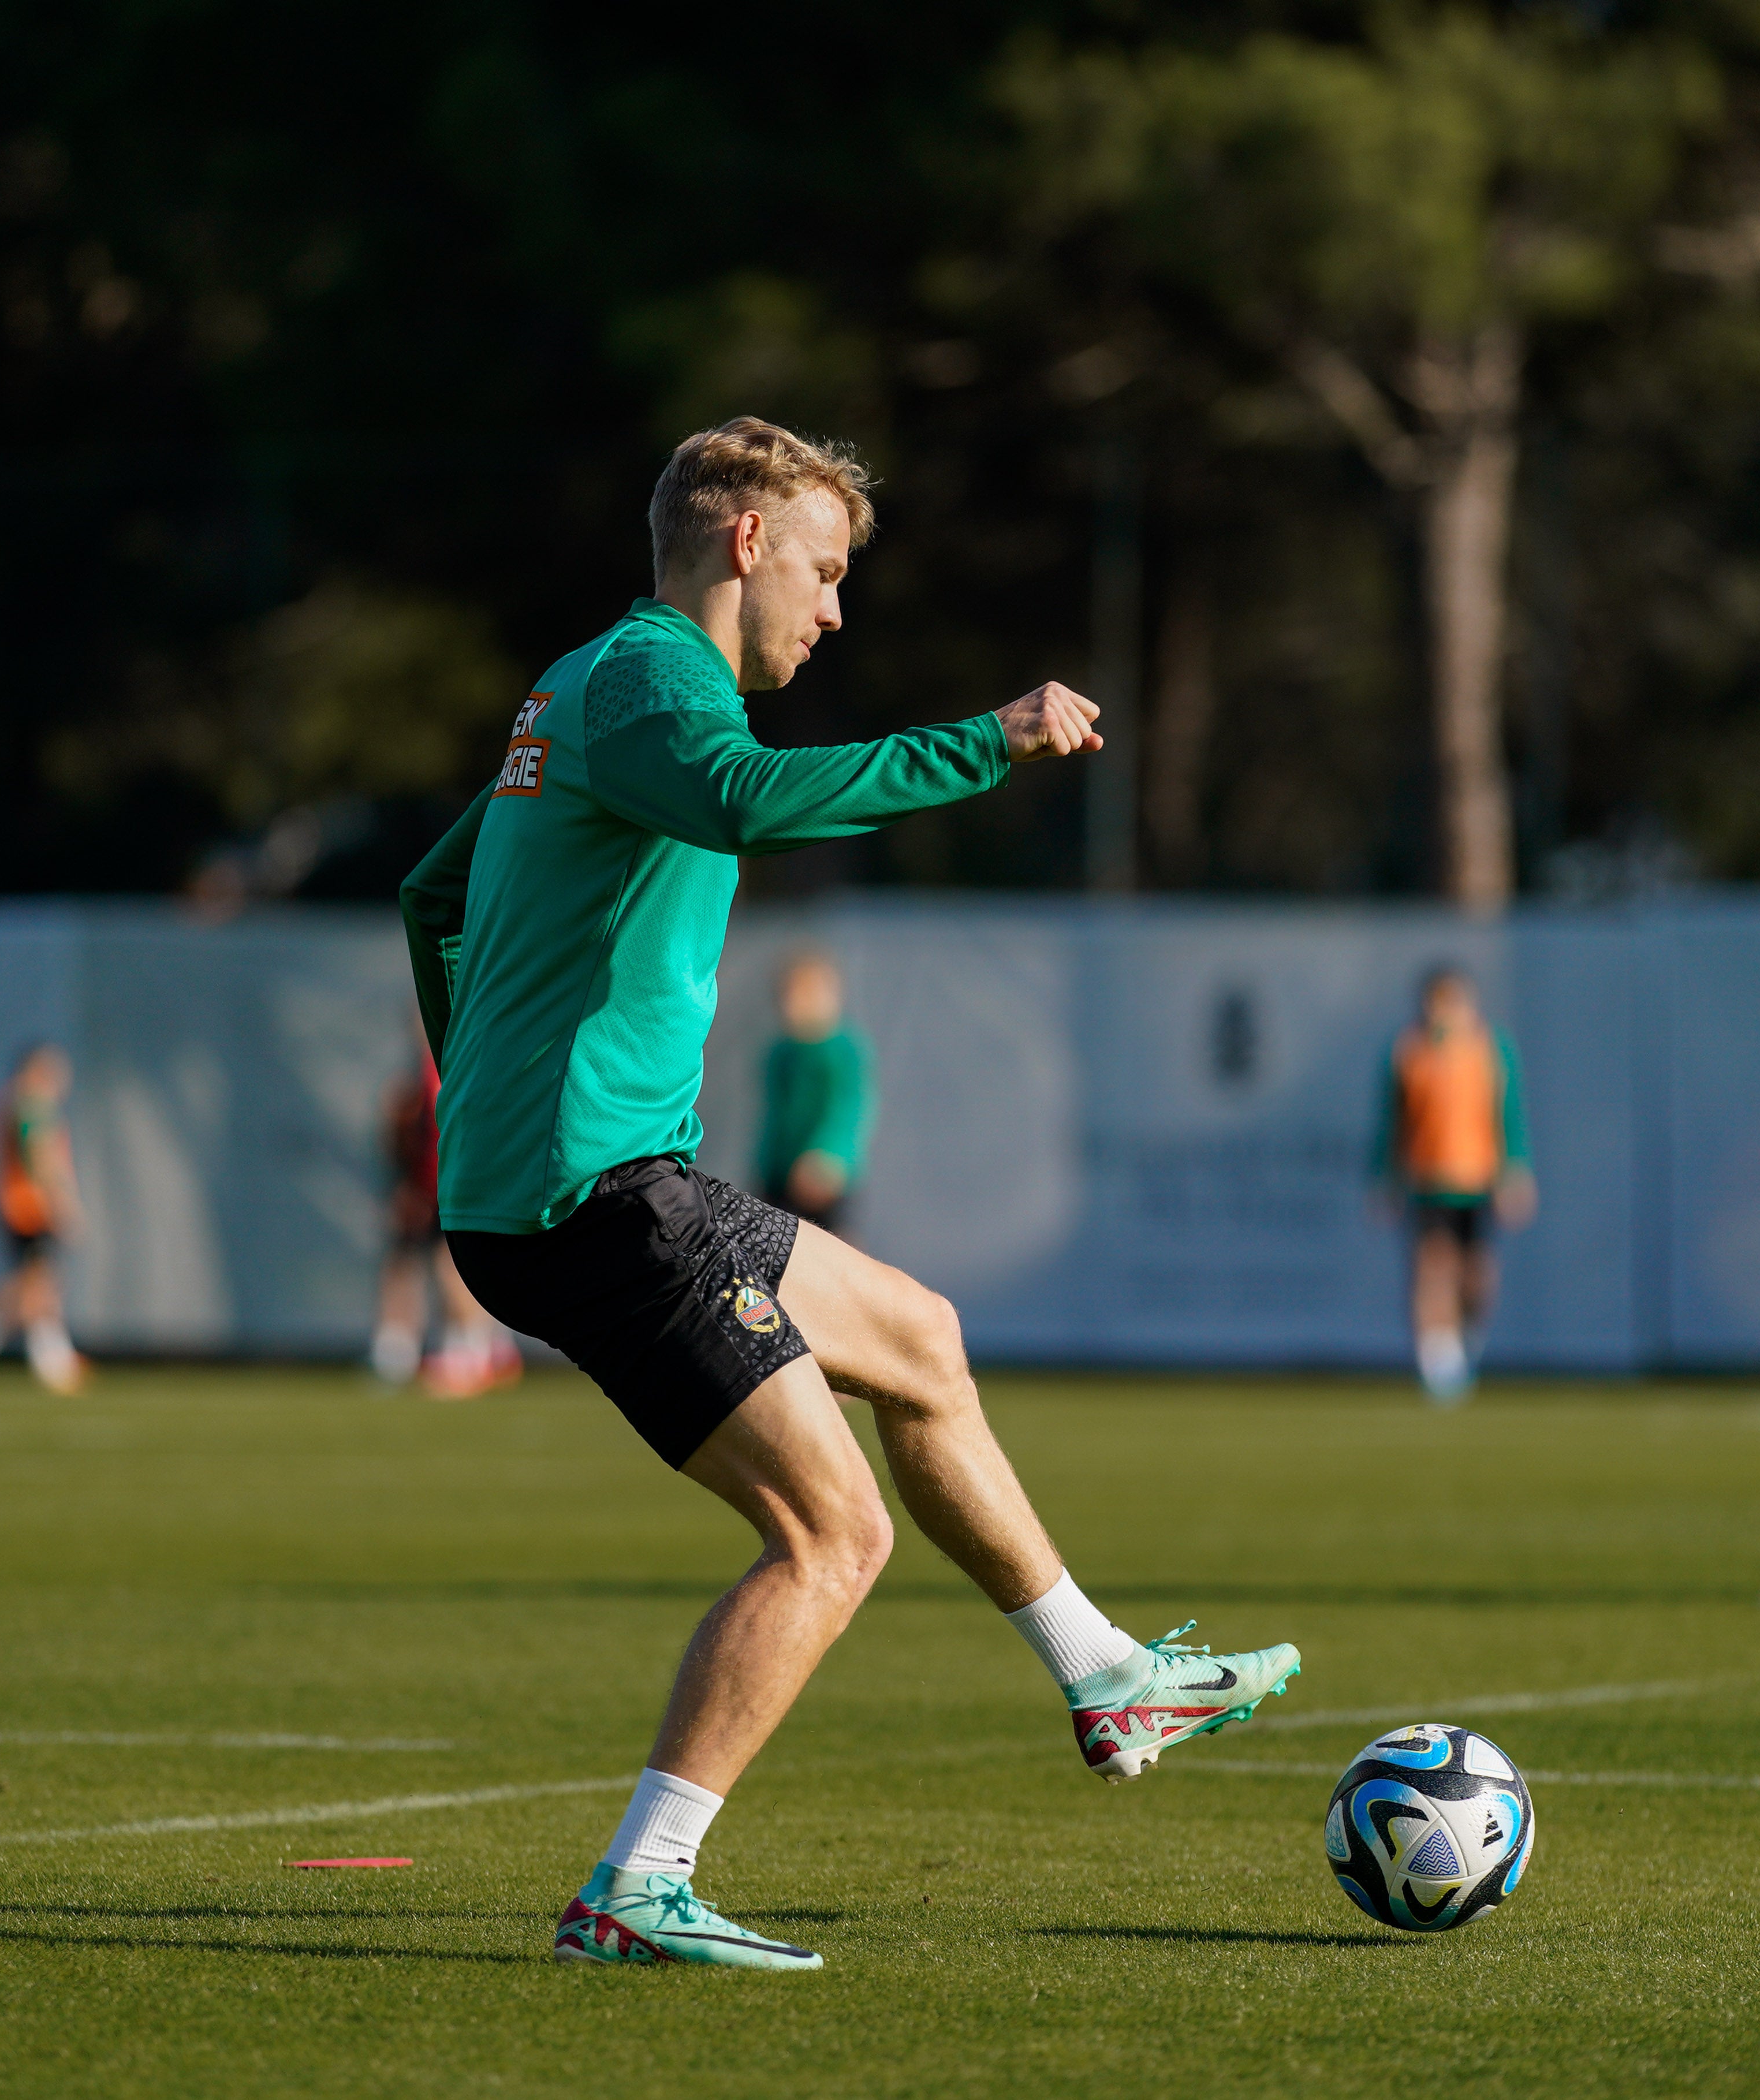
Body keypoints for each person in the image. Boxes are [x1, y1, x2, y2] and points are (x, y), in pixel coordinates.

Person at [401, 417, 1301, 1971]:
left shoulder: (579, 681)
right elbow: (741, 799)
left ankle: (1106, 1674)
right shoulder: (654, 678)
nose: (833, 611)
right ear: (743, 540)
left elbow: (434, 893)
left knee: (925, 1341)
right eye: (822, 570)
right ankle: (635, 1885)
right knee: (833, 1537)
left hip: (587, 1176)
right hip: (592, 1194)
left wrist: (482, 1088)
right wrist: (988, 740)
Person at [1369, 965, 1535, 1403]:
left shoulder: (1492, 1048)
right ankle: (1438, 1361)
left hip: (1478, 1178)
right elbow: (1392, 1122)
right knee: (1432, 1266)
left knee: (1476, 1273)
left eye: (1454, 1001)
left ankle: (1466, 1339)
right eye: (1437, 1002)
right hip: (1428, 1178)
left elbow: (1509, 1115)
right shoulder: (1408, 1050)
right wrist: (1384, 1178)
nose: (1444, 1011)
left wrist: (1516, 1171)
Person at [367, 1032, 519, 1398]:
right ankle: (405, 1352)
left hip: (455, 1189)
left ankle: (474, 1354)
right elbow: (405, 1139)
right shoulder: (415, 1085)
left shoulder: (456, 1072)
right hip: (432, 1189)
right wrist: (408, 1186)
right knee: (411, 1266)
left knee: (454, 1269)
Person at [0, 1042, 87, 1394]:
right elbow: (42, 1158)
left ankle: (53, 1357)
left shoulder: (12, 1102)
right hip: (32, 1207)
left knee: (41, 1284)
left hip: (19, 1205)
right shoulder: (33, 1104)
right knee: (35, 1284)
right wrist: (63, 1205)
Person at [755, 949, 870, 1240]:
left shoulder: (844, 1052)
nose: (797, 1005)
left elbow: (848, 1111)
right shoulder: (780, 1054)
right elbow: (774, 1119)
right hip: (779, 1182)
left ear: (833, 998)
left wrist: (827, 1156)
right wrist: (767, 1170)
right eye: (790, 995)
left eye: (809, 995)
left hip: (825, 1183)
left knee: (836, 1252)